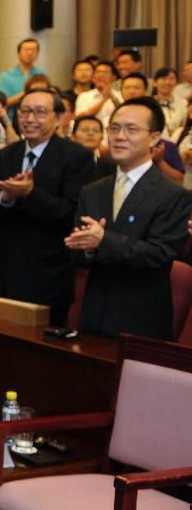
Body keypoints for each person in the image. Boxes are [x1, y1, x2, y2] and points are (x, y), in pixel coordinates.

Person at [66, 97, 191, 339]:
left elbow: (160, 254)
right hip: (93, 316)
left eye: (131, 129)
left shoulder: (173, 194)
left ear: (154, 138)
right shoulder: (92, 190)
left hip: (141, 320)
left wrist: (103, 241)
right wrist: (88, 250)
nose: (119, 136)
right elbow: (77, 254)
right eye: (114, 128)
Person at [0, 88, 94, 323]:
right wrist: (6, 199)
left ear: (59, 117)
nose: (30, 119)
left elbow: (71, 214)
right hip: (6, 270)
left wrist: (31, 193)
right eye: (25, 112)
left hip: (49, 273)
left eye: (40, 112)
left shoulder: (76, 157)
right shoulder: (8, 154)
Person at [0, 38, 45, 120]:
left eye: (33, 50)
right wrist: (25, 93)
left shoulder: (42, 74)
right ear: (18, 53)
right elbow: (2, 102)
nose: (30, 53)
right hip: (12, 120)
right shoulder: (6, 76)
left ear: (37, 53)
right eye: (26, 50)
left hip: (38, 119)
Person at [75, 61, 118, 132]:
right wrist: (105, 98)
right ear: (93, 77)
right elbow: (81, 117)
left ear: (114, 77)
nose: (101, 75)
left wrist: (111, 96)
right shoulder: (84, 96)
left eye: (105, 72)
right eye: (98, 72)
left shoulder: (120, 95)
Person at [71, 116, 115, 182]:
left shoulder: (109, 167)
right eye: (85, 130)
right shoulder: (63, 163)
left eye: (96, 131)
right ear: (73, 137)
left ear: (101, 138)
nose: (90, 133)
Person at [152, 67, 183, 134]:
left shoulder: (183, 103)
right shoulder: (148, 103)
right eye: (163, 79)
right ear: (154, 82)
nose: (167, 82)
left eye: (172, 79)